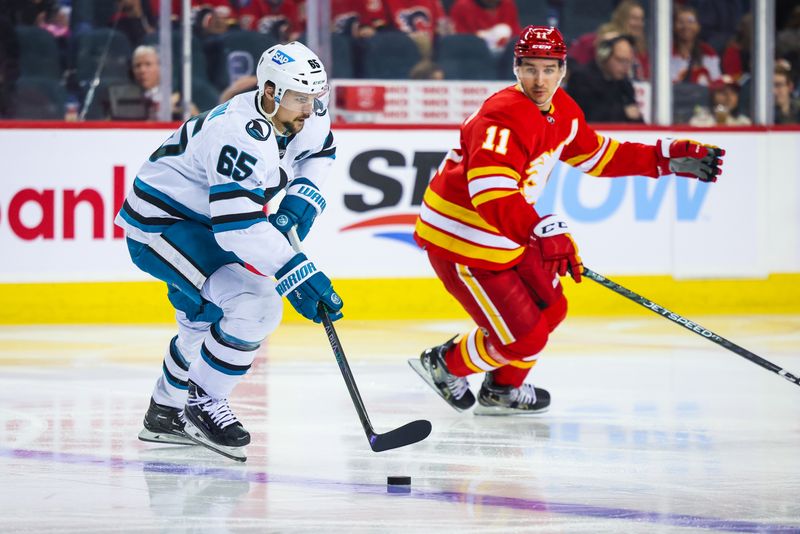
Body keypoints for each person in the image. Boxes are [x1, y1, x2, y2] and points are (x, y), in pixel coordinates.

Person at [408, 26, 724, 415]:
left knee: (551, 309)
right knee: (524, 339)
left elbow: (597, 156)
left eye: (548, 69)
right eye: (529, 69)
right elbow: (491, 196)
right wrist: (540, 230)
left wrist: (661, 158)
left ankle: (502, 389)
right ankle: (445, 364)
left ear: (562, 69)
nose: (539, 81)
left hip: (509, 231)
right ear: (516, 68)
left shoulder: (563, 112)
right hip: (464, 240)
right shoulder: (500, 118)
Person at [115, 41, 343, 461]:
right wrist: (297, 271)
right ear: (271, 91)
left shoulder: (302, 112)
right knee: (254, 303)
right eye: (299, 98)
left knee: (202, 325)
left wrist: (299, 201)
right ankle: (201, 402)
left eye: (315, 98)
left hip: (205, 222)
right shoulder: (238, 134)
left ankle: (163, 414)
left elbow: (322, 152)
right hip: (164, 225)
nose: (309, 109)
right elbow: (237, 229)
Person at [567, 34, 643, 123]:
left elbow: (637, 118)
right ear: (604, 56)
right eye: (621, 60)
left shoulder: (624, 83)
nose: (626, 67)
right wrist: (623, 112)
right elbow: (590, 116)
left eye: (629, 62)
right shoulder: (581, 78)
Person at [671, 4, 721, 86]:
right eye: (681, 22)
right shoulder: (665, 53)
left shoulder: (708, 52)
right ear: (673, 26)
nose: (686, 26)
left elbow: (717, 83)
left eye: (690, 22)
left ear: (698, 26)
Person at [448, 0, 521, 56]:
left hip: (505, 58)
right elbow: (458, 42)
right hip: (474, 58)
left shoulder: (507, 4)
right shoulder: (462, 6)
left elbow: (516, 36)